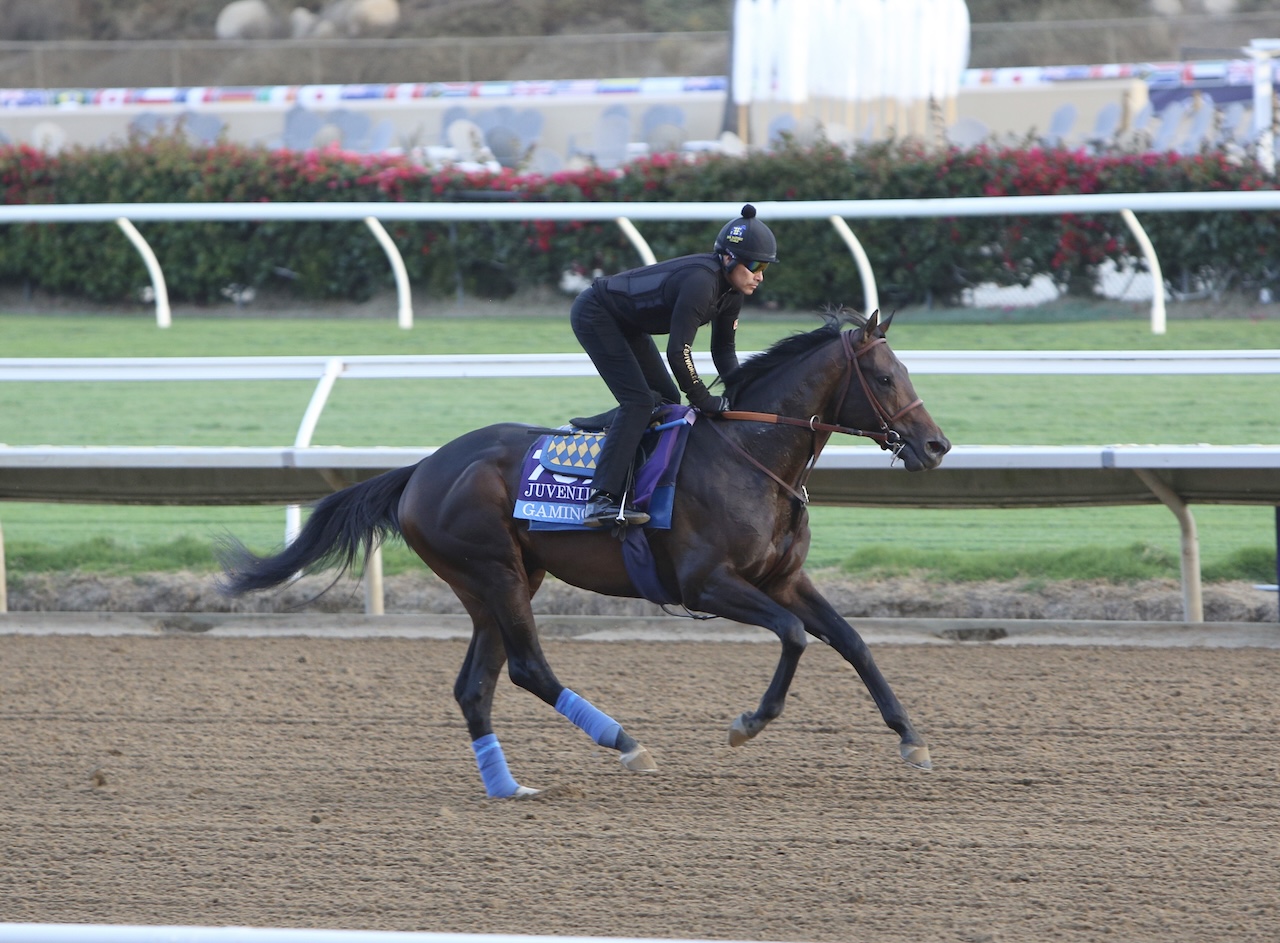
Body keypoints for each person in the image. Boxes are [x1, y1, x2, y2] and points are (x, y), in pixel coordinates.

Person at [569, 203, 778, 528]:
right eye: (755, 265)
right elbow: (678, 352)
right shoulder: (702, 283)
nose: (760, 276)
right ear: (727, 258)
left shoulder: (732, 292)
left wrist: (742, 393)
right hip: (596, 313)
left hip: (627, 322)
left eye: (765, 266)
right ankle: (601, 500)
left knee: (665, 399)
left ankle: (619, 435)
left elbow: (723, 351)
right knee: (639, 401)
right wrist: (705, 401)